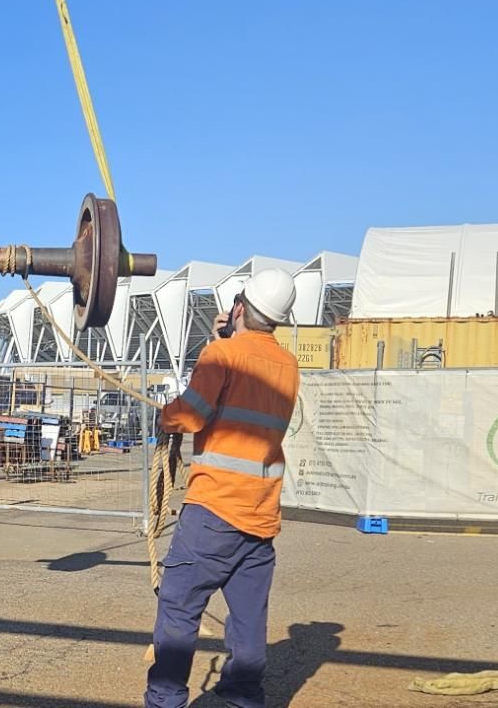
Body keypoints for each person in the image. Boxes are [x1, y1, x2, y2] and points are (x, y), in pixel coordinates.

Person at [146, 269, 301, 708]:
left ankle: (165, 700)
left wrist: (167, 417)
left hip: (214, 511)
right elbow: (241, 397)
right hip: (260, 516)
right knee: (249, 624)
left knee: (178, 609)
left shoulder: (223, 356)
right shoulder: (288, 366)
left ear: (239, 307)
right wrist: (223, 343)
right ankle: (243, 700)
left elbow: (192, 414)